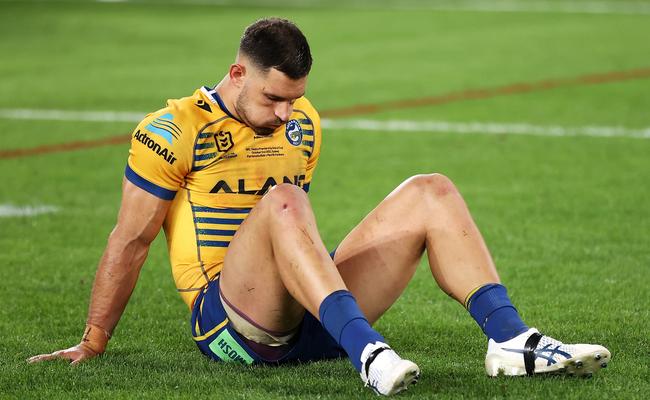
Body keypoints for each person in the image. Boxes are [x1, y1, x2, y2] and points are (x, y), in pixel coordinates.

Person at [27, 18, 611, 396]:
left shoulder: (303, 123)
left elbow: (296, 233)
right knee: (282, 199)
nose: (287, 112)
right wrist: (95, 338)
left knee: (431, 189)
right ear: (237, 73)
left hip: (309, 307)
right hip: (232, 320)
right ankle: (368, 353)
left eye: (295, 99)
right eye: (273, 97)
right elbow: (130, 240)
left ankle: (509, 341)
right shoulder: (173, 129)